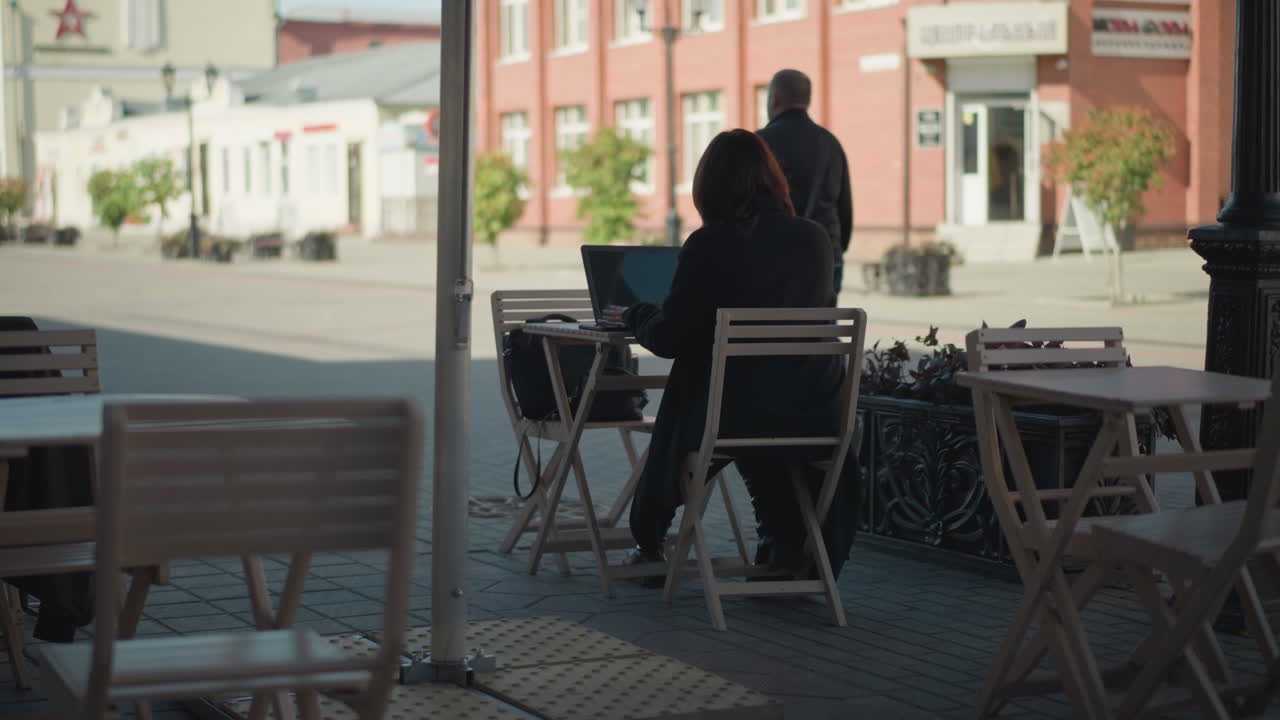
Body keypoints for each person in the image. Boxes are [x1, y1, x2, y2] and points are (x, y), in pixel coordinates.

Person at [603, 129, 860, 584]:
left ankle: (649, 541)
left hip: (739, 415)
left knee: (700, 394)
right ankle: (784, 545)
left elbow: (671, 338)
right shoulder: (815, 239)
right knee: (755, 407)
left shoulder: (711, 244)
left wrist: (637, 314)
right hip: (816, 413)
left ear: (710, 187)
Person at [757, 69, 853, 295]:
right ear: (807, 100)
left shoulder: (759, 143)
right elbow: (844, 210)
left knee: (772, 329)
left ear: (774, 100)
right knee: (820, 328)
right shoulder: (830, 144)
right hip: (826, 258)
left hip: (772, 259)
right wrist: (834, 248)